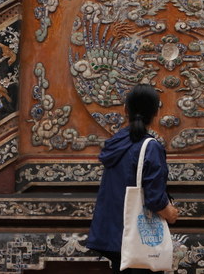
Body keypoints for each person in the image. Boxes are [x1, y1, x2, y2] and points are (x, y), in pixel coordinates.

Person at [86, 84, 179, 273]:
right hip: (138, 237)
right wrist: (170, 213)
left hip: (113, 236)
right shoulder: (150, 146)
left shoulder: (115, 144)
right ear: (156, 113)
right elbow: (154, 198)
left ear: (125, 110)